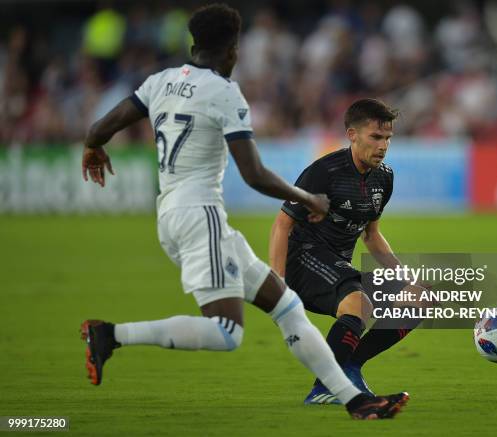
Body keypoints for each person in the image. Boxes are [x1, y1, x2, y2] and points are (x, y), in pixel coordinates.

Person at [79, 4, 408, 420]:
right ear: (233, 50)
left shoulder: (158, 81)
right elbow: (254, 174)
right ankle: (109, 334)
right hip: (200, 216)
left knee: (287, 307)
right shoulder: (224, 92)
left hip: (178, 214)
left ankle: (354, 401)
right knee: (226, 332)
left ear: (194, 44)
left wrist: (92, 147)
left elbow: (97, 130)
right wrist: (308, 199)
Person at [270, 98, 419, 404]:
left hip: (339, 269)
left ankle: (348, 365)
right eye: (375, 137)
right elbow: (282, 224)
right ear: (353, 135)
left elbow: (372, 236)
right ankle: (326, 385)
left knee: (419, 298)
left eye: (388, 138)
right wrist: (277, 284)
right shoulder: (325, 172)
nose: (383, 146)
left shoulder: (384, 178)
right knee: (358, 302)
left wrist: (404, 277)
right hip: (302, 260)